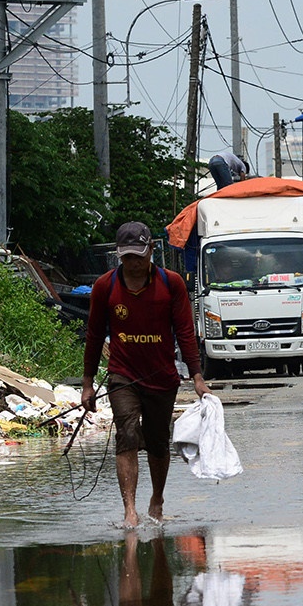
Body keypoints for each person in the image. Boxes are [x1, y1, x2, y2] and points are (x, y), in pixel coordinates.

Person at [83, 221, 210, 527]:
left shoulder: (172, 284)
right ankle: (129, 509)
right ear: (119, 256)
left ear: (151, 250)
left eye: (139, 256)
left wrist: (196, 376)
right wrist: (87, 384)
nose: (134, 263)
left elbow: (184, 331)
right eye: (127, 257)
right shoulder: (105, 287)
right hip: (122, 374)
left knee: (157, 441)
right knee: (126, 434)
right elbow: (95, 335)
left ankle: (157, 499)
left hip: (162, 376)